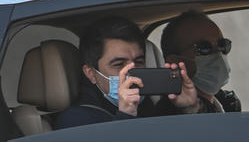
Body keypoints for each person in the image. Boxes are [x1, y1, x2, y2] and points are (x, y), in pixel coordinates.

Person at [54, 16, 198, 130]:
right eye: (119, 65)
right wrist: (126, 116)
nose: (131, 73)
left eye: (139, 62)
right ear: (91, 73)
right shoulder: (75, 121)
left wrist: (187, 108)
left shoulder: (146, 105)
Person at [160, 10, 241, 113]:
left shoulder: (226, 104)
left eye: (222, 45)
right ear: (175, 63)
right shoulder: (171, 117)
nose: (218, 54)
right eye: (204, 48)